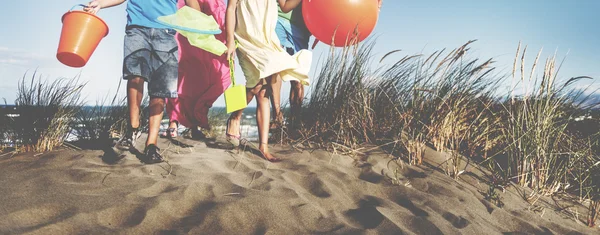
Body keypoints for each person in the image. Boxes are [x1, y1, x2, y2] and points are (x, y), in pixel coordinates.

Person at [84, 0, 194, 163]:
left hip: (166, 33)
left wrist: (202, 23)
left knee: (159, 90)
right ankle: (133, 129)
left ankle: (151, 144)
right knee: (135, 76)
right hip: (137, 29)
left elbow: (194, 8)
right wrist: (100, 3)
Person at [270, 0, 383, 132]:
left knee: (297, 79)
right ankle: (277, 116)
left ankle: (295, 121)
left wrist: (378, 5)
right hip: (278, 18)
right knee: (275, 67)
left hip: (302, 26)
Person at [224, 0, 312, 162]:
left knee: (264, 90)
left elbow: (285, 6)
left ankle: (263, 146)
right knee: (256, 85)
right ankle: (235, 117)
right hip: (246, 39)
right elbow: (230, 8)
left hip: (267, 41)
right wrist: (230, 40)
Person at [163, 0, 230, 139]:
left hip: (214, 17)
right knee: (185, 70)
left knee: (217, 73)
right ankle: (174, 122)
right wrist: (200, 20)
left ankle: (196, 120)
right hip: (191, 18)